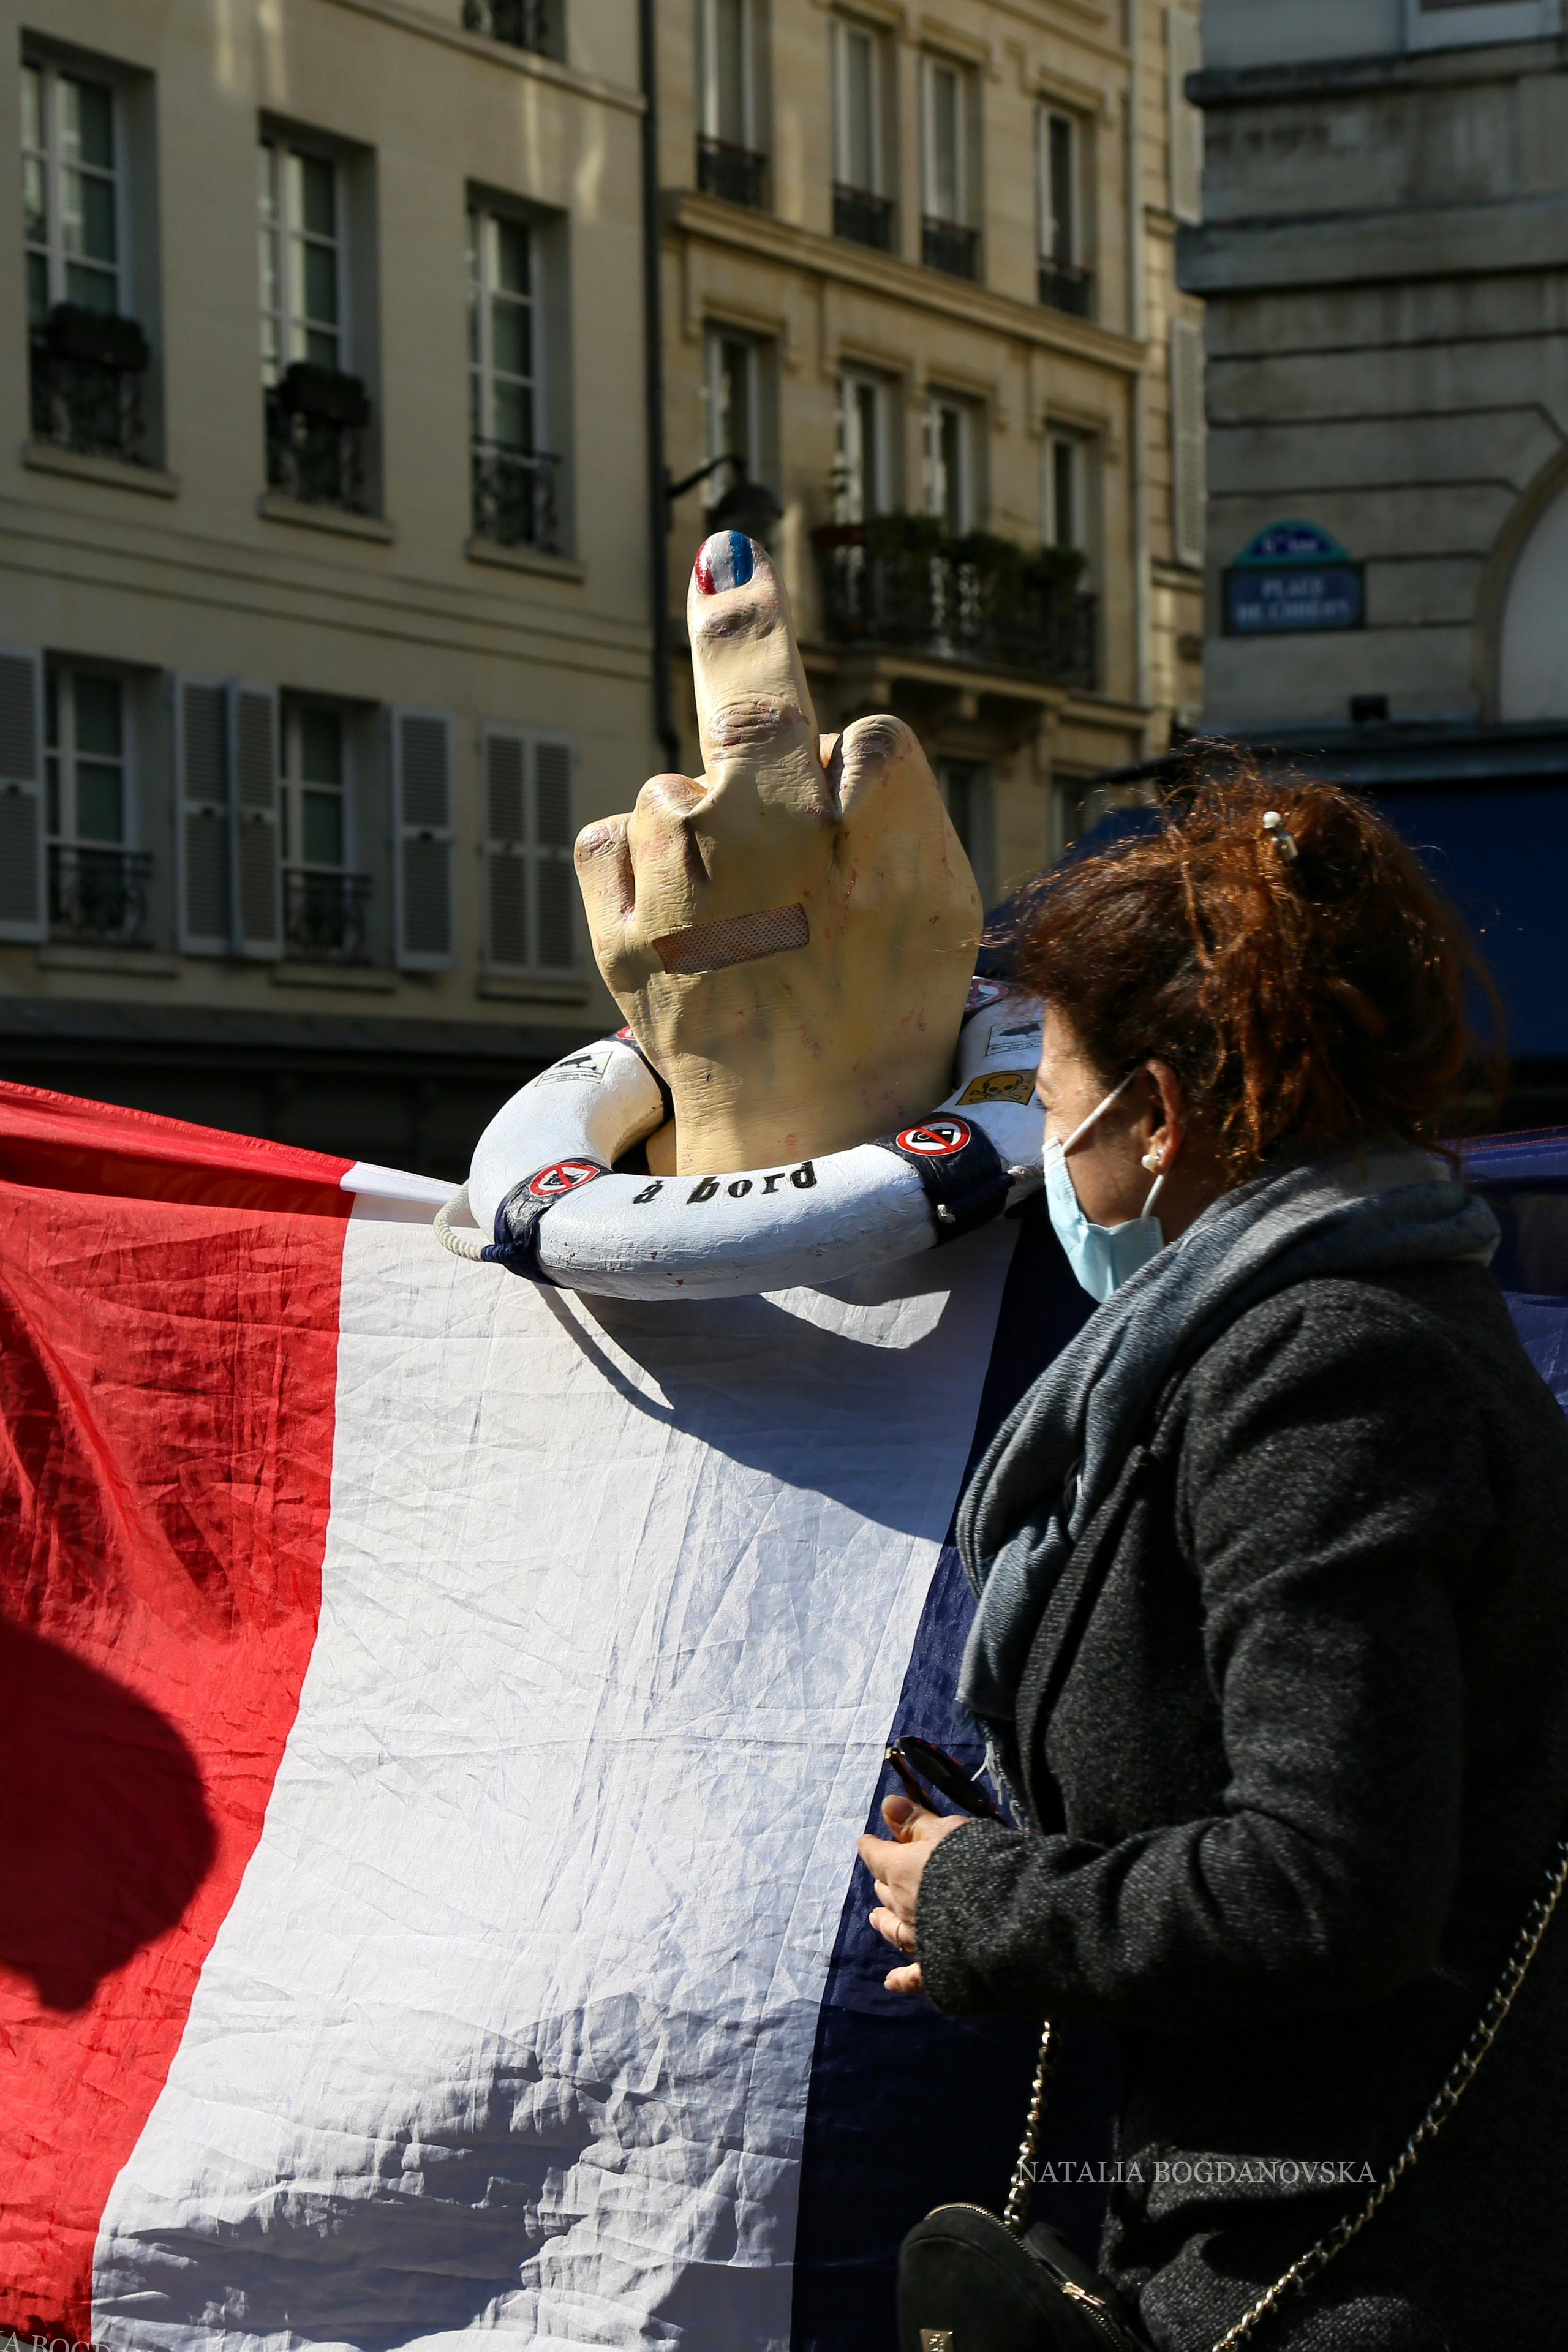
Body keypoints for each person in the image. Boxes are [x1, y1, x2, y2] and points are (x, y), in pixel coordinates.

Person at [858, 774, 1568, 2350]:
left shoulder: (1321, 1370)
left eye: (1049, 1109)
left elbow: (1327, 1882)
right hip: (1288, 2231)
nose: (1051, 1162)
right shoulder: (1309, 1333)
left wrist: (982, 1899)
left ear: (1156, 1121)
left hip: (1360, 2272)